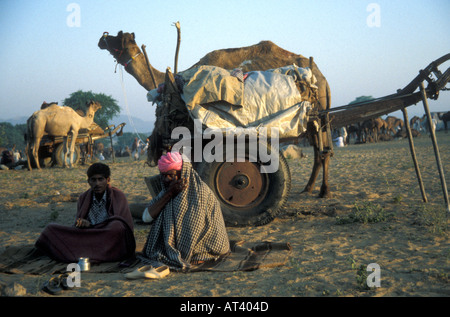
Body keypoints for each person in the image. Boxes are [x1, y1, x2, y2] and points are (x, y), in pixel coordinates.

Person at [140, 152, 230, 270]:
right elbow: (146, 217)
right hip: (179, 245)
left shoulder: (200, 193)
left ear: (183, 173)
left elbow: (192, 229)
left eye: (171, 175)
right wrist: (169, 194)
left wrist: (176, 254)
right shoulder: (167, 192)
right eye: (163, 175)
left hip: (205, 245)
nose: (166, 179)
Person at [35, 163, 136, 263]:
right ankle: (89, 252)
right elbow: (77, 224)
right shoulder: (83, 197)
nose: (97, 184)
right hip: (87, 235)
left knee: (117, 226)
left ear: (108, 180)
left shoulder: (118, 196)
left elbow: (124, 227)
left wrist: (93, 226)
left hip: (106, 236)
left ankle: (85, 252)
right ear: (88, 181)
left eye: (101, 179)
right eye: (93, 180)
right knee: (51, 228)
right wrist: (82, 224)